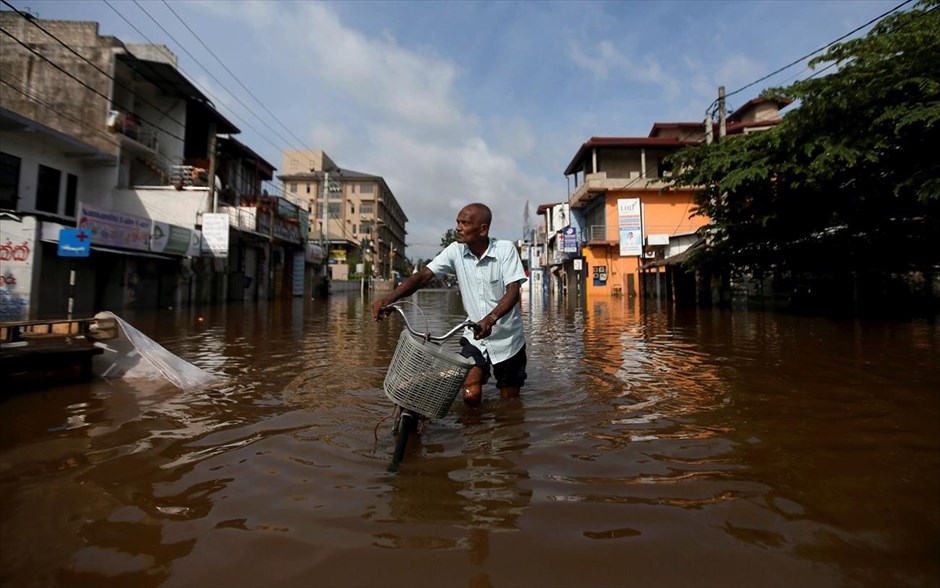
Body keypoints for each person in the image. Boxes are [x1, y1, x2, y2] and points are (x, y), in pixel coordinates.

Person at [372, 203, 528, 406]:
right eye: (457, 222)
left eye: (464, 223)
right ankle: (474, 434)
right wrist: (390, 298)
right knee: (470, 393)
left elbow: (513, 291)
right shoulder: (455, 251)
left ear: (483, 229)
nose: (458, 227)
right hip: (476, 336)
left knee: (510, 402)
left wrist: (491, 319)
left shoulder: (505, 250)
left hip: (508, 340)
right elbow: (423, 277)